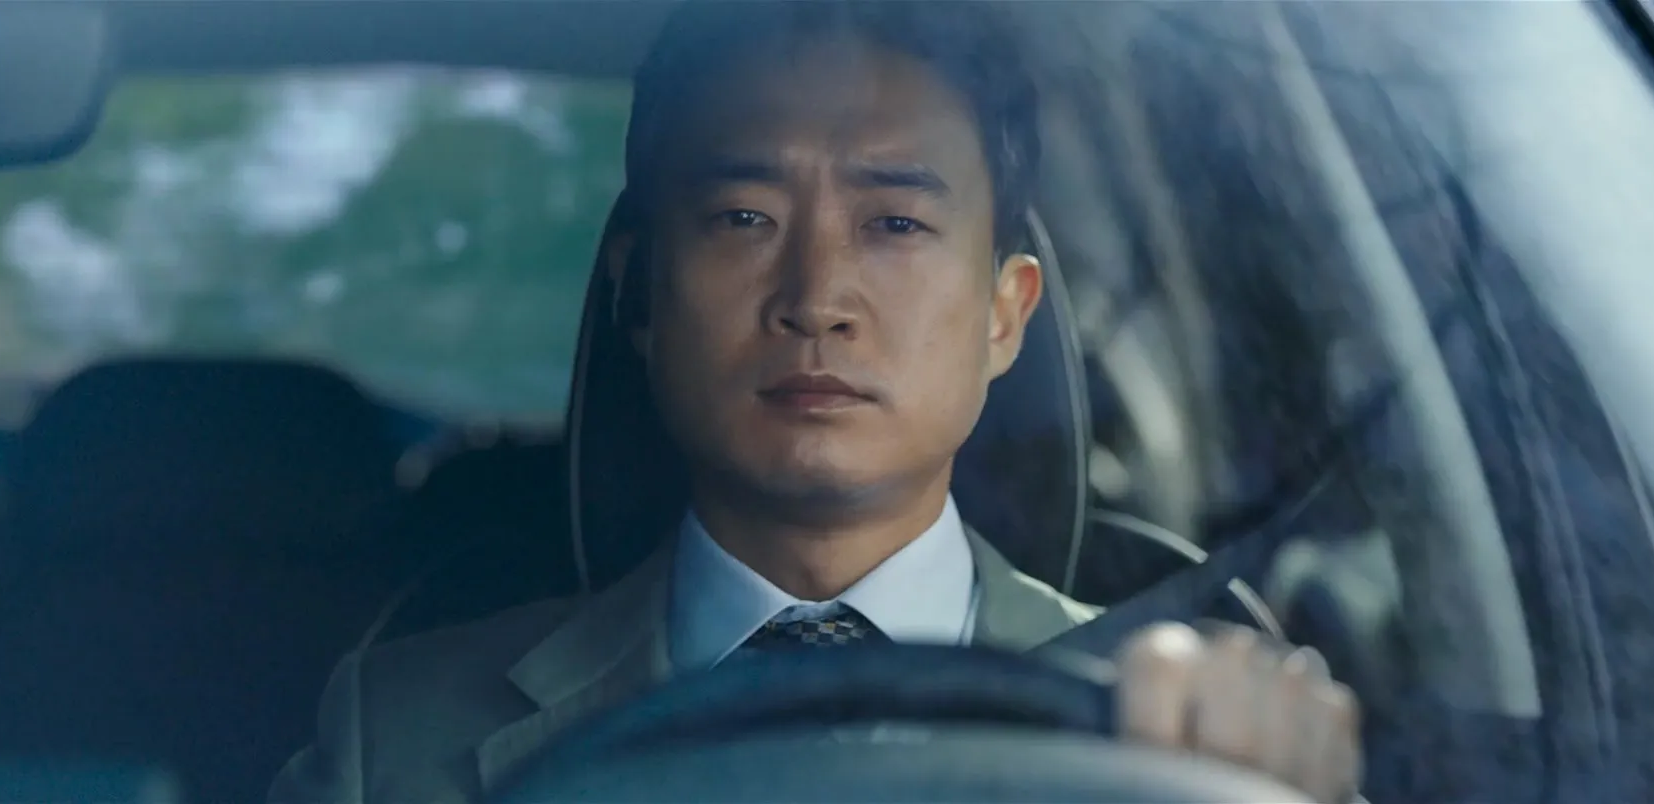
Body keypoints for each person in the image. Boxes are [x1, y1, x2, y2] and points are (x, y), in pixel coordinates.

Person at [270, 3, 1361, 802]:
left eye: (895, 224)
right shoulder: (398, 736)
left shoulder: (1199, 743)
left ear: (1005, 314)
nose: (816, 300)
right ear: (640, 294)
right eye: (743, 218)